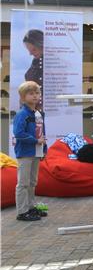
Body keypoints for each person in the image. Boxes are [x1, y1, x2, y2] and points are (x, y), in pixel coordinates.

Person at [13, 81, 47, 222]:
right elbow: (18, 133)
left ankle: (30, 207)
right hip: (25, 152)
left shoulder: (38, 113)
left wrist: (43, 149)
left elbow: (42, 134)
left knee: (32, 182)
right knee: (23, 183)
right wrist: (35, 141)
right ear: (22, 97)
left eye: (37, 93)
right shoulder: (22, 114)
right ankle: (22, 211)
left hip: (36, 152)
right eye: (31, 93)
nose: (35, 96)